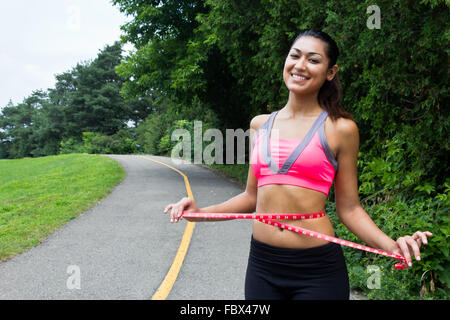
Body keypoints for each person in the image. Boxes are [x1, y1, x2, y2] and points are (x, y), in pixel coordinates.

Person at [163, 29, 433, 300]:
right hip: (262, 265)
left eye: (313, 60)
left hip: (317, 270)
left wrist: (392, 245)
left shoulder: (341, 129)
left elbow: (349, 208)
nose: (300, 65)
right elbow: (252, 196)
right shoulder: (260, 125)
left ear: (330, 72)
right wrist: (202, 213)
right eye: (295, 56)